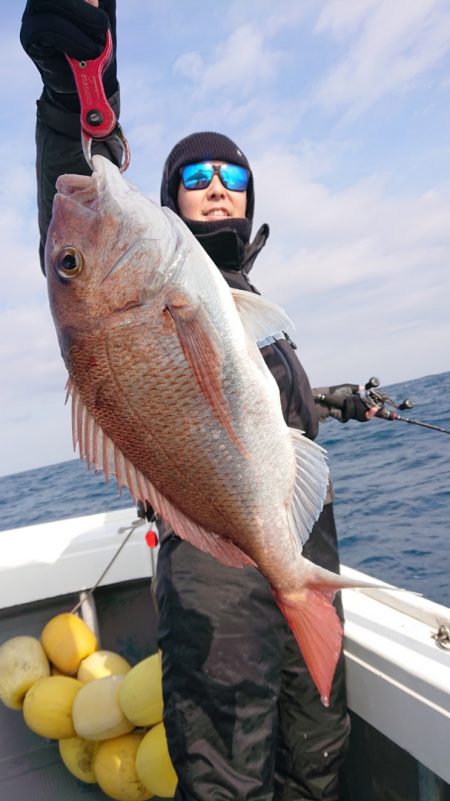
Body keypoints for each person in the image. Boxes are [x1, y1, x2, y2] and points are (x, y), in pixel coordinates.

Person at [20, 3, 376, 799]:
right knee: (225, 773)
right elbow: (74, 195)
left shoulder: (232, 305)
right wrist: (69, 83)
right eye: (195, 179)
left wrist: (328, 400)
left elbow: (241, 405)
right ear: (166, 200)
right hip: (216, 566)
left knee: (317, 752)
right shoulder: (147, 287)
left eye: (231, 179)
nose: (215, 190)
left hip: (296, 543)